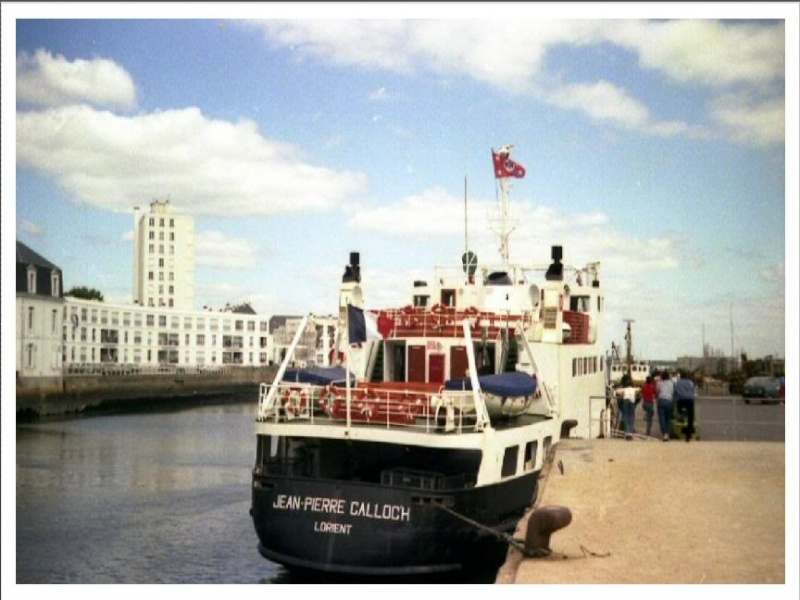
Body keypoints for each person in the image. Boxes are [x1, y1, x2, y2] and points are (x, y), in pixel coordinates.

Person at [674, 370, 697, 442]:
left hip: (681, 400)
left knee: (679, 409)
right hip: (690, 399)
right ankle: (689, 434)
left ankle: (681, 416)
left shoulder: (678, 383)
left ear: (680, 376)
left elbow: (676, 392)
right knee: (691, 416)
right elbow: (693, 391)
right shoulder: (690, 382)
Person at [656, 370, 675, 441]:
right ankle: (667, 433)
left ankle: (664, 434)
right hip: (669, 401)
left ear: (662, 376)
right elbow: (673, 392)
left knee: (662, 418)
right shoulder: (672, 383)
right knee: (668, 418)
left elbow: (657, 391)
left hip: (661, 401)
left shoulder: (659, 383)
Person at [619, 374, 638, 440]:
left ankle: (627, 432)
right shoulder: (634, 389)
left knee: (625, 417)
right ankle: (631, 432)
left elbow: (617, 392)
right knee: (632, 417)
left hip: (625, 401)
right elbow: (639, 391)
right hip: (632, 402)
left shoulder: (623, 389)